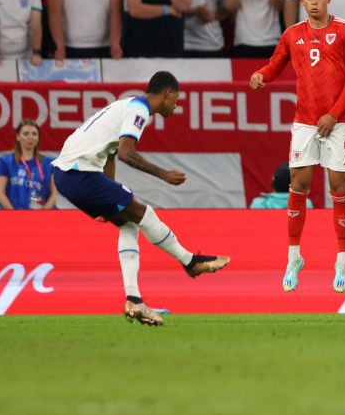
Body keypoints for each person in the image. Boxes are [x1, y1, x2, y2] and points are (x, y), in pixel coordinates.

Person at [51, 71, 230, 326]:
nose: (176, 105)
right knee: (142, 213)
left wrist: (107, 194)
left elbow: (111, 154)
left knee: (128, 222)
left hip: (68, 176)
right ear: (166, 93)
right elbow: (126, 153)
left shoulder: (124, 105)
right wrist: (163, 174)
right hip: (78, 174)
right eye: (176, 99)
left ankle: (134, 300)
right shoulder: (140, 109)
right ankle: (189, 261)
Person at [250, 0, 345, 294]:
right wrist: (262, 75)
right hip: (304, 123)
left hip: (337, 121)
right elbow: (275, 64)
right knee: (298, 186)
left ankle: (342, 259)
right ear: (301, 1)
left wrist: (333, 113)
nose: (314, 2)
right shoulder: (292, 34)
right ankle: (294, 257)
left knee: (338, 187)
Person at [0, 119, 57, 211]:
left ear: (38, 137)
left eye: (34, 134)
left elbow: (54, 194)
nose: (30, 137)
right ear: (18, 136)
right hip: (12, 218)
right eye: (26, 134)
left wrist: (43, 214)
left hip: (42, 218)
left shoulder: (48, 163)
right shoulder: (4, 162)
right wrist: (16, 216)